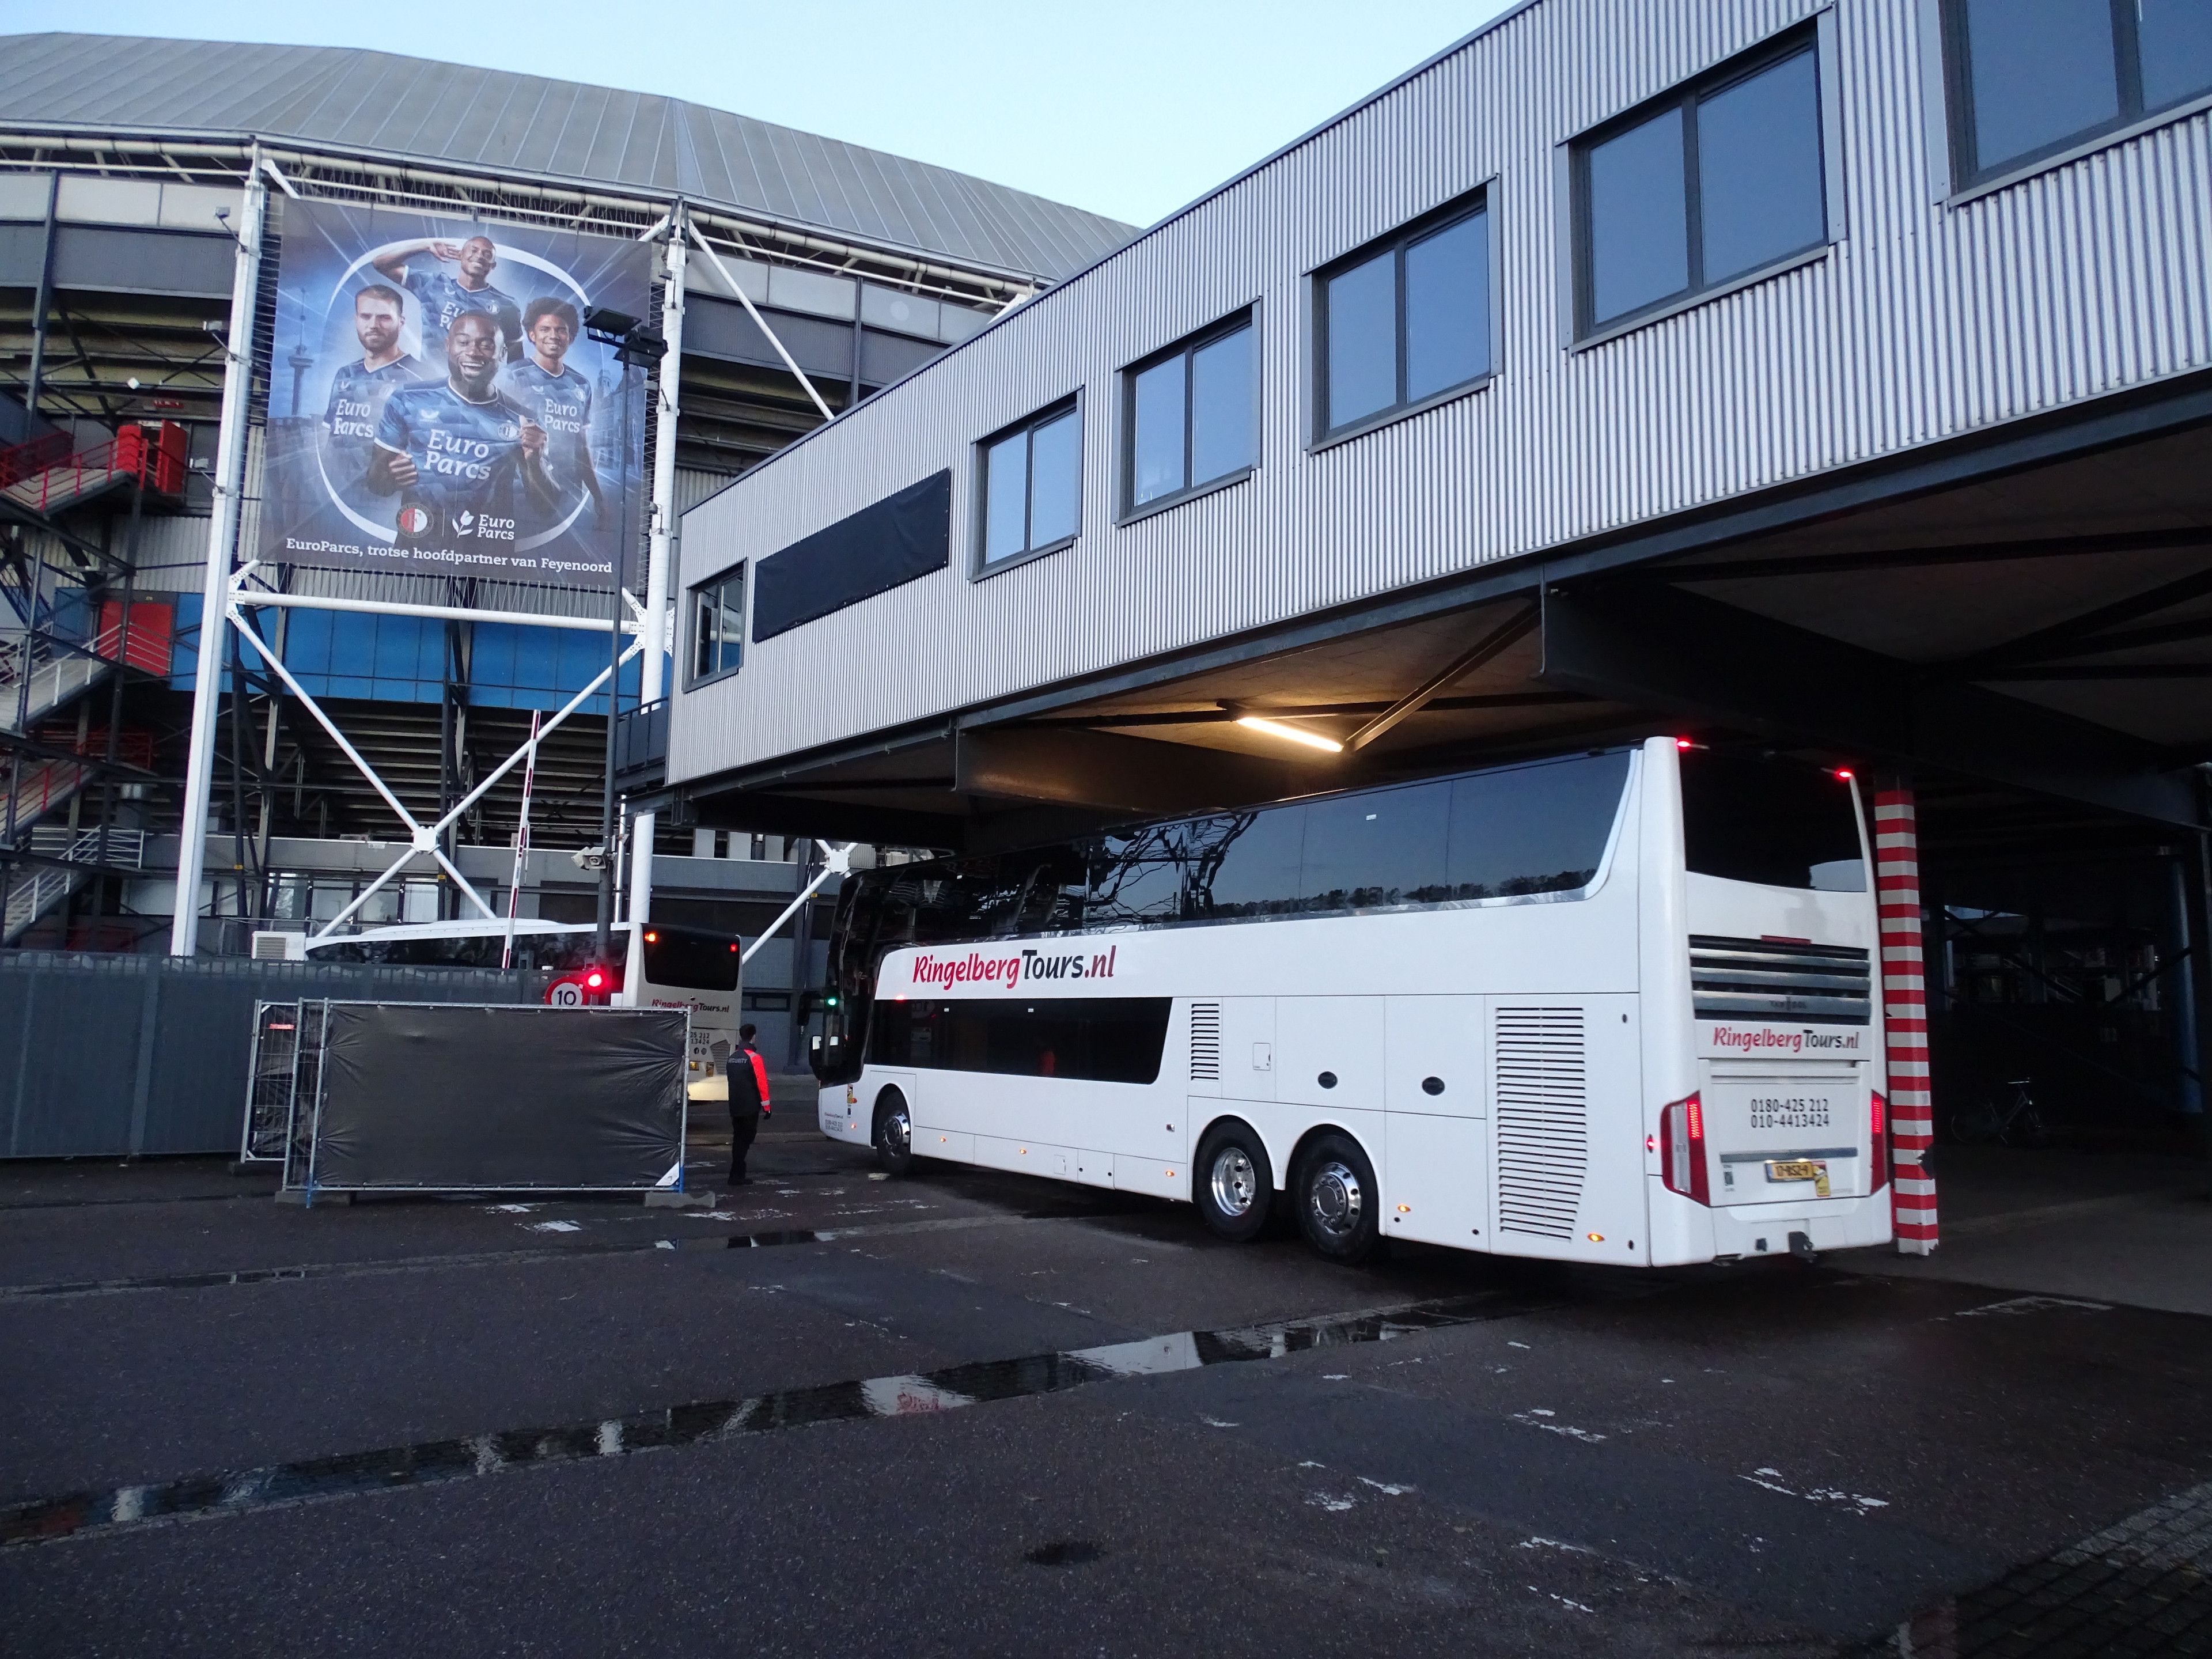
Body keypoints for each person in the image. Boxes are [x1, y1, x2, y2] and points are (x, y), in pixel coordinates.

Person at [365, 311, 556, 550]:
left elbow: (546, 509)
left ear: (503, 354)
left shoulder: (524, 421)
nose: (473, 352)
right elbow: (377, 484)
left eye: (486, 345)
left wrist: (535, 461)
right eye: (463, 342)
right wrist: (389, 477)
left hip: (487, 566)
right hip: (413, 560)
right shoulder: (408, 400)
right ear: (448, 345)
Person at [498, 297, 605, 531]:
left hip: (569, 498)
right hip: (524, 497)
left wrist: (597, 495)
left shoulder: (581, 385)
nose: (553, 336)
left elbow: (581, 443)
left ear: (571, 337)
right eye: (545, 329)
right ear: (532, 335)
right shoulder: (513, 376)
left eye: (561, 330)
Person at [322, 285, 422, 486]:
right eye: (366, 316)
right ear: (356, 320)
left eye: (384, 317)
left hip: (384, 500)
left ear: (401, 323)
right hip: (334, 492)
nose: (373, 325)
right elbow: (330, 438)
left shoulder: (420, 377)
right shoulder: (345, 374)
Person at [372, 233, 523, 362]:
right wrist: (424, 246)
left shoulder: (506, 305)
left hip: (475, 391)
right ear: (460, 255)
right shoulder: (432, 285)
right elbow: (380, 264)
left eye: (487, 254)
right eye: (474, 250)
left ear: (493, 266)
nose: (479, 256)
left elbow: (516, 359)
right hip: (431, 384)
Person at [729, 1023, 771, 1186]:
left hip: (735, 1106)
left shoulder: (733, 1057)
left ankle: (736, 1173)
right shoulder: (755, 1058)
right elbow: (762, 1084)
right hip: (750, 1108)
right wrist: (767, 1108)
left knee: (738, 1139)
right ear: (753, 1037)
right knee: (745, 1140)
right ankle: (737, 1175)